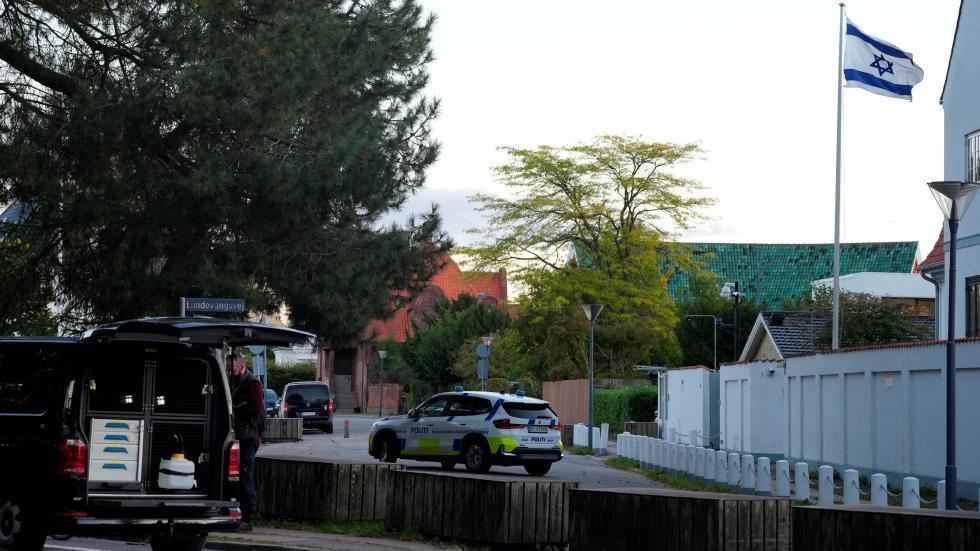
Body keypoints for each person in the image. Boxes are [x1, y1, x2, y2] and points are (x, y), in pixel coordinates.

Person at [227, 352, 265, 532]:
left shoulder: (253, 383)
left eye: (232, 368)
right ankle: (238, 514)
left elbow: (256, 409)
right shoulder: (235, 381)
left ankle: (247, 517)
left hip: (248, 436)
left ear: (241, 366)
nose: (229, 371)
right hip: (240, 434)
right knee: (239, 475)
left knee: (245, 474)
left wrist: (235, 412)